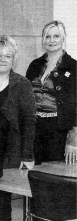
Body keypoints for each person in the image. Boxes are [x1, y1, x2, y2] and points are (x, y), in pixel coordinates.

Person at [0, 35, 36, 221]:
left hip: (10, 153)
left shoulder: (22, 84)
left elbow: (30, 121)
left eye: (8, 56)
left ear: (14, 59)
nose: (2, 59)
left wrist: (27, 155)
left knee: (3, 203)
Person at [25, 20, 76, 165]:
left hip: (59, 132)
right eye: (47, 36)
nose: (51, 40)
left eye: (56, 36)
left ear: (63, 39)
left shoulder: (73, 67)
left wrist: (73, 140)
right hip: (35, 129)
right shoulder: (35, 65)